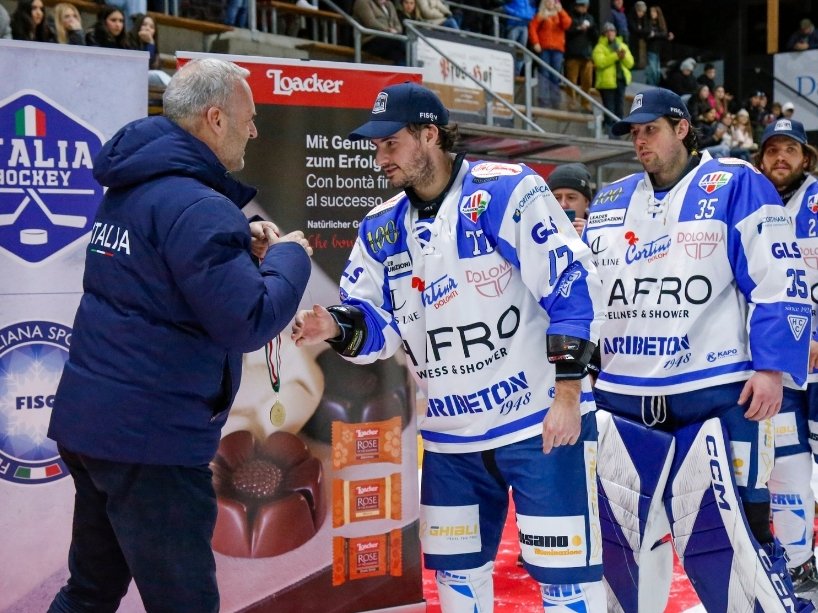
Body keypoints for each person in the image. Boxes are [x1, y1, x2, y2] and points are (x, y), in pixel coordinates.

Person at [292, 81, 607, 612]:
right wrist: (335, 326)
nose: (379, 158)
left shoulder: (507, 192)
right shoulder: (379, 227)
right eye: (375, 146)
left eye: (390, 143)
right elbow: (375, 323)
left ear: (429, 135)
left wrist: (570, 394)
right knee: (457, 580)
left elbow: (571, 282)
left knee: (566, 578)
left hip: (537, 423)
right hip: (448, 440)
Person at [46, 58, 313, 613]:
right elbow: (250, 319)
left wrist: (238, 240)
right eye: (250, 117)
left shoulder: (135, 188)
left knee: (90, 590)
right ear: (216, 118)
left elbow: (161, 275)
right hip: (153, 441)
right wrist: (289, 258)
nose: (255, 130)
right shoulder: (198, 206)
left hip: (95, 425)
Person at [584, 87, 814, 612]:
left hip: (716, 399)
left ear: (682, 127)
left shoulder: (738, 183)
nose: (640, 141)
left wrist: (773, 367)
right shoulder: (612, 198)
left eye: (651, 129)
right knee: (622, 548)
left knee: (736, 543)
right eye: (634, 133)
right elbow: (594, 292)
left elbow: (779, 278)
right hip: (624, 402)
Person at [754, 117, 818, 600]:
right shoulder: (755, 205)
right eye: (772, 150)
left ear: (805, 158)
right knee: (786, 467)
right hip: (783, 369)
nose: (781, 158)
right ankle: (799, 564)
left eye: (789, 150)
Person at [527, 0, 571, 108]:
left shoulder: (559, 14)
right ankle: (544, 101)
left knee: (555, 76)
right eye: (548, 1)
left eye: (553, 1)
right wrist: (536, 43)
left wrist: (561, 11)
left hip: (557, 49)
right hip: (544, 49)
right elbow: (532, 28)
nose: (551, 3)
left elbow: (567, 24)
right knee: (544, 74)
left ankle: (555, 101)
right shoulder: (540, 15)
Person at [592, 21, 633, 133]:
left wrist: (623, 57)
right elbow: (600, 62)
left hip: (620, 80)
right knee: (609, 107)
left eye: (612, 31)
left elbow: (630, 63)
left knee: (619, 107)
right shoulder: (599, 47)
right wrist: (616, 56)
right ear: (604, 34)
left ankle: (619, 130)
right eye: (608, 31)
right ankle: (610, 131)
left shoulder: (622, 45)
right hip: (606, 83)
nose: (610, 33)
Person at [564, 0, 596, 110]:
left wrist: (590, 28)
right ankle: (571, 102)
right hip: (572, 54)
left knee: (587, 81)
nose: (583, 8)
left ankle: (585, 103)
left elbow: (595, 35)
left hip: (587, 55)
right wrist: (579, 28)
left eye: (585, 6)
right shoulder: (569, 17)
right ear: (576, 6)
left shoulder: (590, 18)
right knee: (571, 81)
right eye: (581, 5)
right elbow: (567, 31)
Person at [353, 0, 405, 64]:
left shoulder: (389, 4)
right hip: (371, 40)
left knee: (399, 56)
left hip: (390, 40)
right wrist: (388, 30)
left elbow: (398, 25)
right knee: (405, 45)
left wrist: (396, 30)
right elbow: (370, 22)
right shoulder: (362, 2)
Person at [546, 162, 594, 233]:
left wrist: (589, 239)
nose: (563, 204)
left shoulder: (601, 232)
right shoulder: (536, 233)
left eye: (571, 198)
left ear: (586, 201)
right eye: (556, 198)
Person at [502, 0, 536, 75]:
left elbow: (534, 7)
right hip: (513, 24)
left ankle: (516, 73)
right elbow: (505, 6)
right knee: (510, 49)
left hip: (524, 25)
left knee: (521, 52)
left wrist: (531, 14)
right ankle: (507, 71)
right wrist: (515, 14)